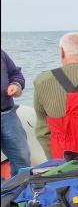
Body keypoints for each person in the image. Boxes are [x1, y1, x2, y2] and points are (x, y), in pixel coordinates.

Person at [1, 48, 32, 176]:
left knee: (22, 157)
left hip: (7, 114)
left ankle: (20, 192)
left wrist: (16, 84)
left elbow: (16, 74)